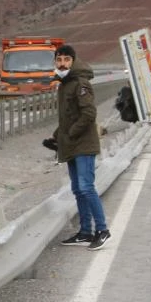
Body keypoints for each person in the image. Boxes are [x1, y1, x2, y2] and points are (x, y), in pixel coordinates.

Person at [45, 45, 111, 251]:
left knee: (86, 187)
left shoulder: (81, 83)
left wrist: (71, 134)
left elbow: (88, 114)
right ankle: (85, 232)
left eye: (66, 59)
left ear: (73, 61)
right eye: (59, 60)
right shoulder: (65, 84)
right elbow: (68, 117)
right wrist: (56, 137)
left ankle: (102, 230)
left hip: (83, 143)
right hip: (71, 144)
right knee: (77, 189)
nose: (62, 63)